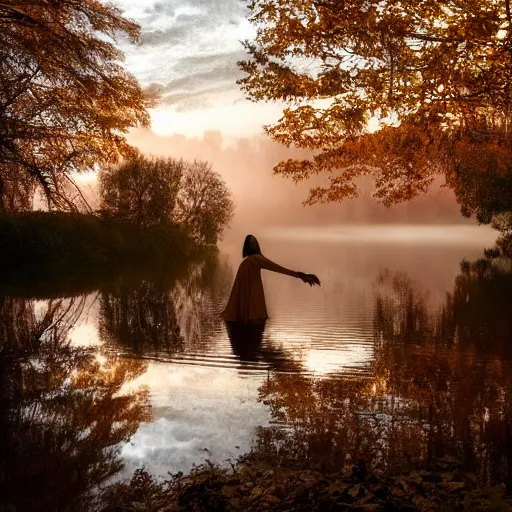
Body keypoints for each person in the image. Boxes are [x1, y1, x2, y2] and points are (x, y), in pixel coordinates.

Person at [221, 234, 320, 325]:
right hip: (254, 298)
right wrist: (298, 275)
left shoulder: (246, 262)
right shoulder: (256, 259)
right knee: (256, 317)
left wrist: (299, 275)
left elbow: (237, 290)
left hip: (246, 303)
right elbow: (277, 268)